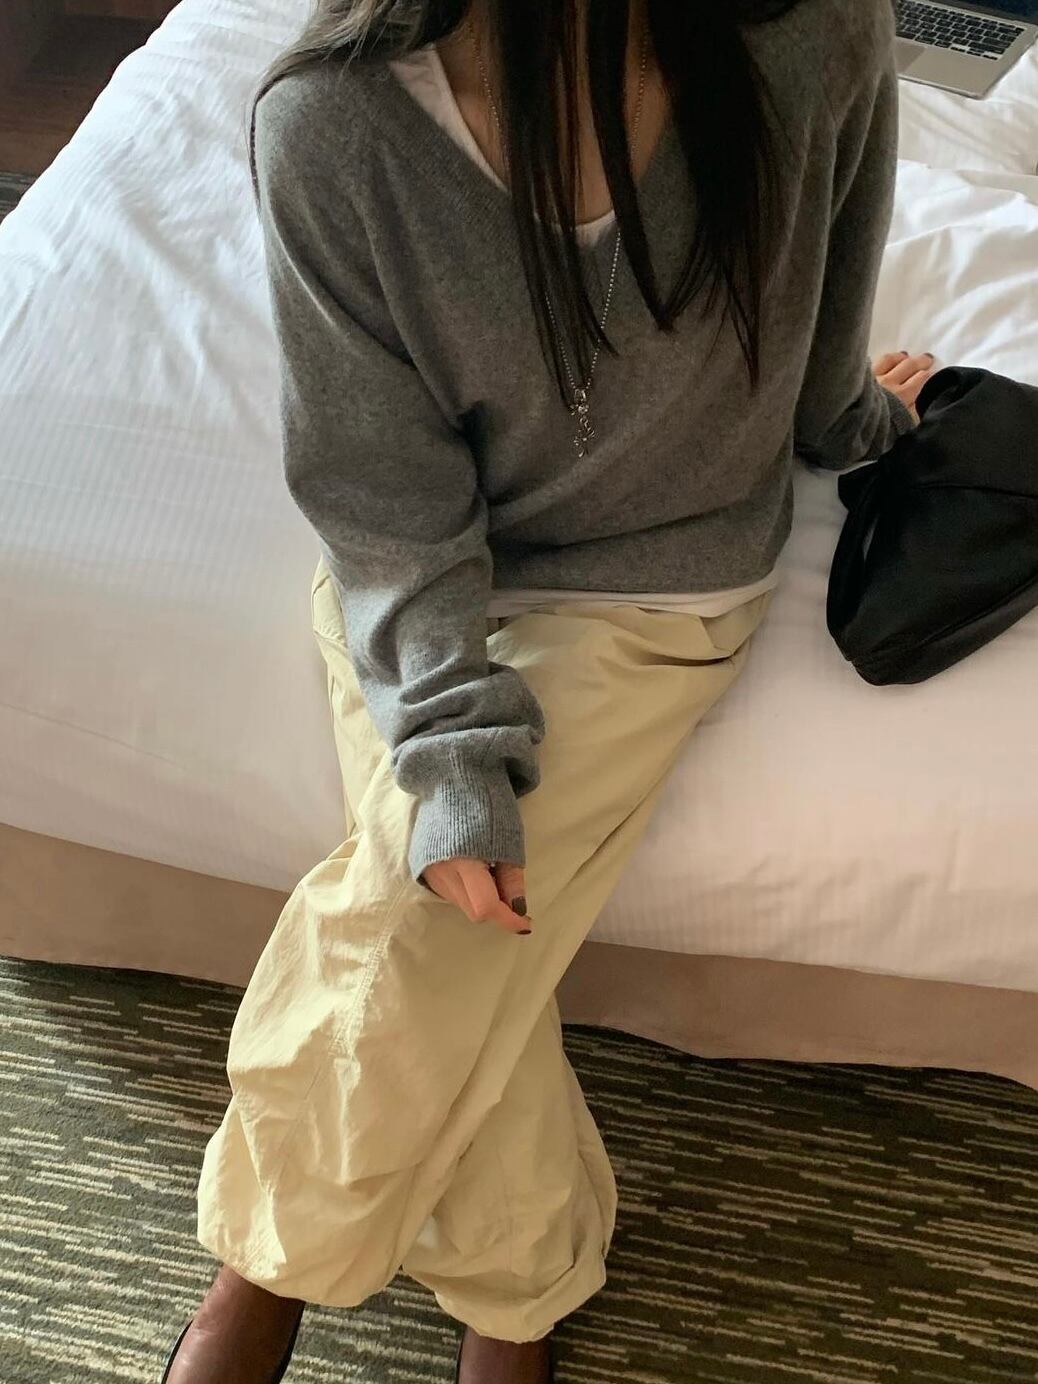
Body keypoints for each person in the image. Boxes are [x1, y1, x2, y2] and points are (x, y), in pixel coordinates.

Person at [162, 1, 936, 1380]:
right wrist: (451, 747)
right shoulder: (334, 119)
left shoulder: (818, 28)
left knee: (433, 924)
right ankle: (515, 1293)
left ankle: (259, 1276)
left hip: (661, 587)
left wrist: (868, 422)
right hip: (420, 584)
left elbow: (821, 343)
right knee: (445, 897)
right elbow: (380, 494)